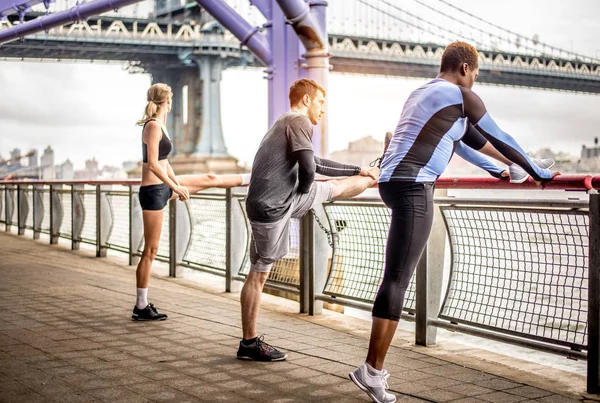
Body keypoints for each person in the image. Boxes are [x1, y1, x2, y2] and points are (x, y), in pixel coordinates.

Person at [349, 41, 559, 403]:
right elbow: (501, 137)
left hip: (391, 183)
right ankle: (372, 370)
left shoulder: (424, 93)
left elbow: (461, 141)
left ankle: (372, 368)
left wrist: (501, 170)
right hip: (414, 187)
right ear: (464, 67)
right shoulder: (462, 96)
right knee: (398, 279)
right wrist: (538, 171)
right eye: (475, 73)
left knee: (395, 276)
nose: (475, 80)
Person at [237, 78, 379, 361]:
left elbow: (315, 163)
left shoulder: (286, 122)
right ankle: (249, 344)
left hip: (272, 203)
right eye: (320, 102)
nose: (323, 109)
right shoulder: (299, 121)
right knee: (259, 274)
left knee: (334, 189)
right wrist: (303, 191)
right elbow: (309, 169)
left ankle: (373, 172)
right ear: (305, 100)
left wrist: (357, 169)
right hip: (275, 206)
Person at [133, 83, 251, 321]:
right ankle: (141, 306)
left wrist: (177, 184)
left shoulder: (161, 126)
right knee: (151, 250)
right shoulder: (153, 126)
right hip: (153, 192)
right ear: (169, 100)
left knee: (209, 178)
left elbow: (165, 163)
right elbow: (154, 165)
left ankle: (251, 179)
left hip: (163, 187)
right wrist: (175, 187)